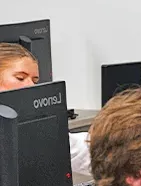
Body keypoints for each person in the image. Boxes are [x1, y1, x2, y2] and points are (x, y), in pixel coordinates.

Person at [0, 42, 90, 173]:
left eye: (35, 81)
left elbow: (79, 151)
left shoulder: (33, 128)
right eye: (20, 78)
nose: (31, 86)